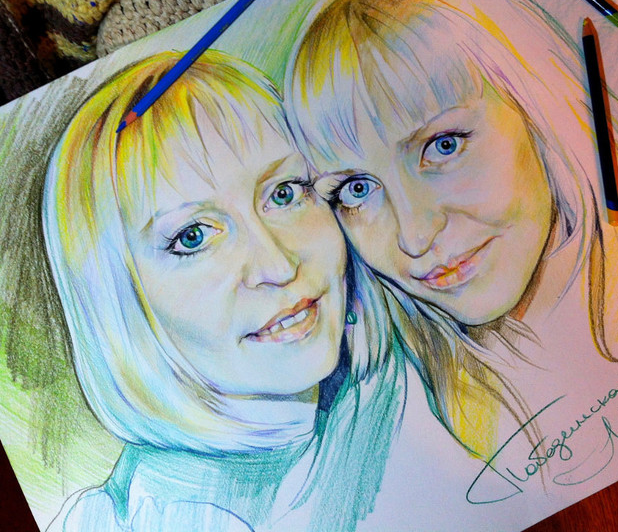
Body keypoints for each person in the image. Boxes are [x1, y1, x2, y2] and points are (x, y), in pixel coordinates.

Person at [286, 0, 618, 460]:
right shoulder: (378, 428)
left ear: (536, 107)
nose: (415, 236)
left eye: (444, 146)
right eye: (356, 190)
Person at [43, 50, 405, 531]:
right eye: (194, 237)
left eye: (284, 193)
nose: (278, 265)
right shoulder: (167, 516)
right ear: (116, 302)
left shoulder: (390, 401)